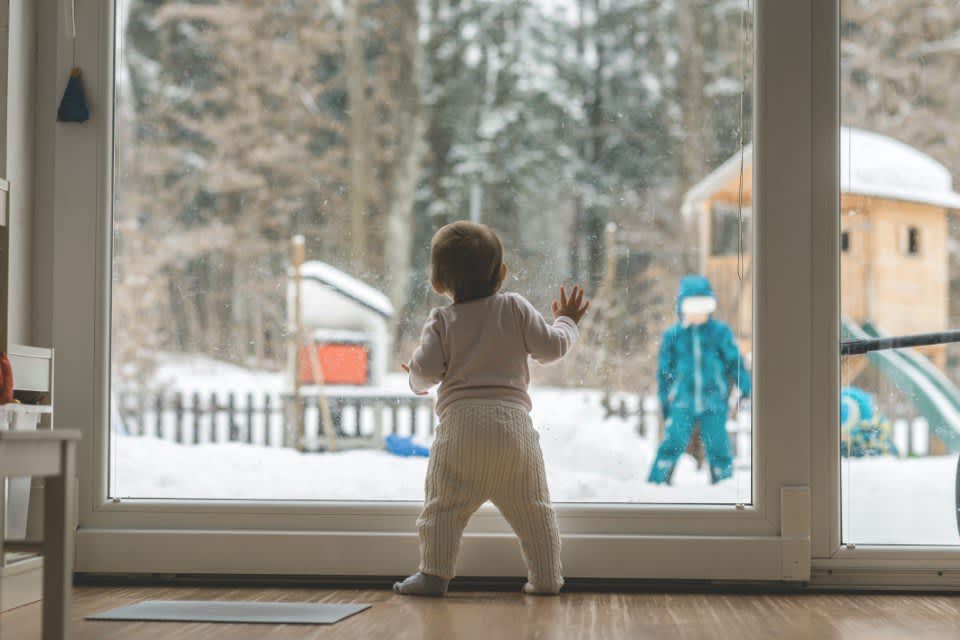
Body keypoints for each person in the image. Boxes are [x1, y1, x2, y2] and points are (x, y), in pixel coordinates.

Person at [393, 220, 590, 597]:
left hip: (460, 430)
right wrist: (566, 321)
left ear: (437, 282)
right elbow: (551, 348)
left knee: (442, 510)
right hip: (512, 428)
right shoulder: (514, 308)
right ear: (501, 273)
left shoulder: (441, 321)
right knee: (535, 510)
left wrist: (415, 380)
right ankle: (547, 578)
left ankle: (434, 576)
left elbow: (425, 372)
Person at [648, 274, 751, 485]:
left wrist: (747, 388)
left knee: (718, 447)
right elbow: (664, 373)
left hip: (714, 401)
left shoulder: (719, 333)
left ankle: (724, 486)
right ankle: (656, 486)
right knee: (672, 443)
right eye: (692, 308)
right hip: (682, 401)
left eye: (703, 307)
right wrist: (665, 402)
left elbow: (735, 363)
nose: (698, 314)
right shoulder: (674, 336)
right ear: (682, 308)